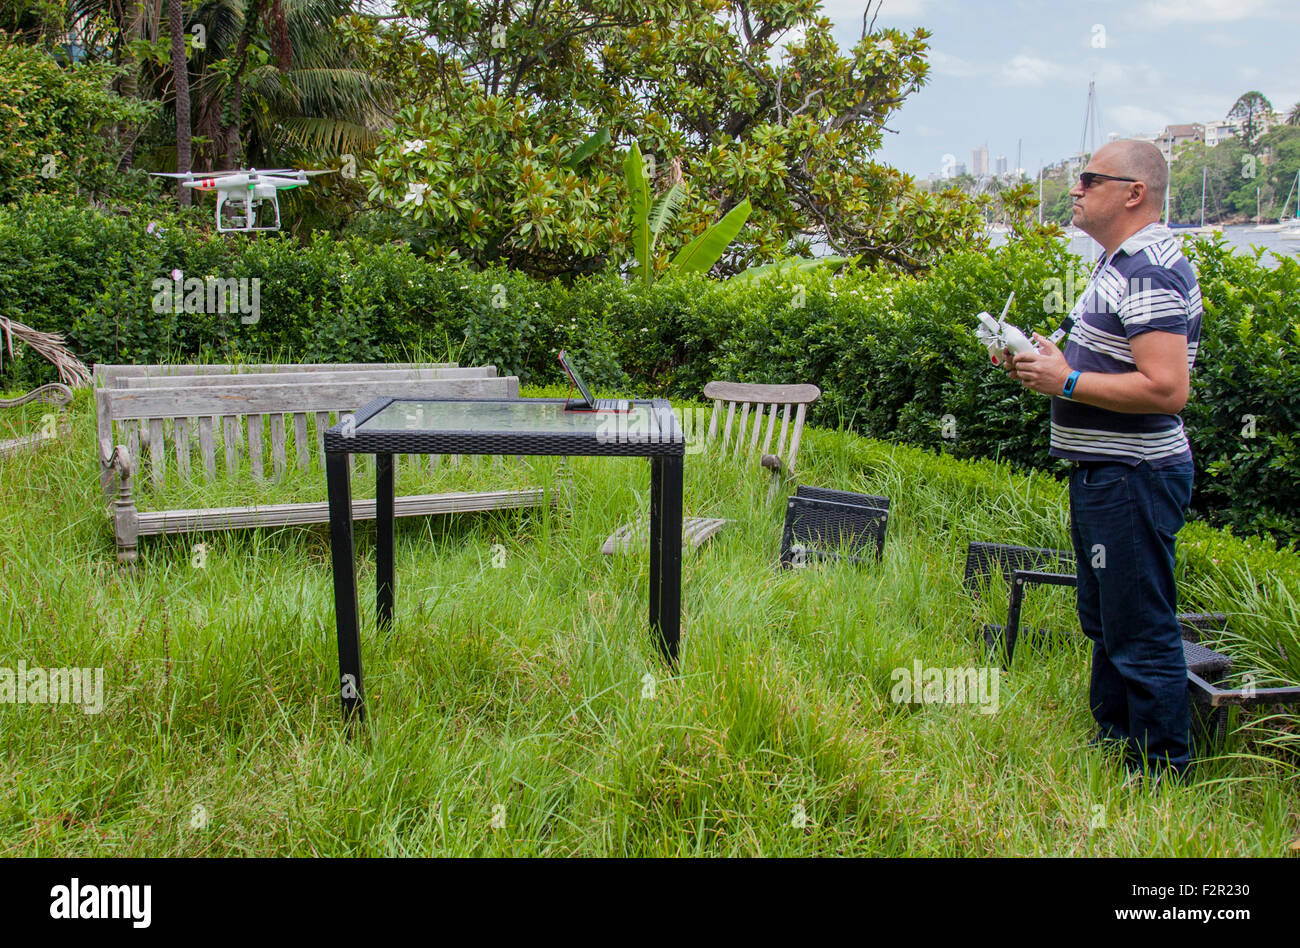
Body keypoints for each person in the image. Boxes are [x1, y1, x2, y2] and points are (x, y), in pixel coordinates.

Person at [1006, 139, 1202, 782]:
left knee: (1140, 626)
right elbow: (1100, 363)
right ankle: (1115, 744)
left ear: (1133, 192)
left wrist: (1064, 383)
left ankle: (1161, 773)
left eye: (1089, 178)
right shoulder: (1119, 264)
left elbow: (1168, 389)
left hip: (1133, 475)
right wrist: (1044, 361)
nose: (1076, 188)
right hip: (1105, 474)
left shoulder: (1150, 268)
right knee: (1107, 618)